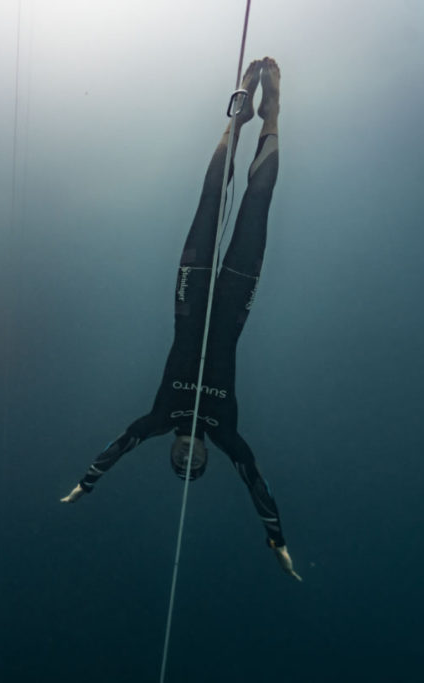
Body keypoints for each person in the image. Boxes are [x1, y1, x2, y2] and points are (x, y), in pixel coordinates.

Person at [61, 58, 301, 581]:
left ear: (171, 449)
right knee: (257, 204)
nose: (188, 455)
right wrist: (276, 539)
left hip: (189, 297)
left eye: (179, 461)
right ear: (204, 459)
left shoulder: (159, 417)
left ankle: (237, 114)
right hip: (235, 302)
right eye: (195, 464)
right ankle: (274, 112)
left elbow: (118, 448)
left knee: (212, 193)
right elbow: (254, 481)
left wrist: (87, 484)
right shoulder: (226, 433)